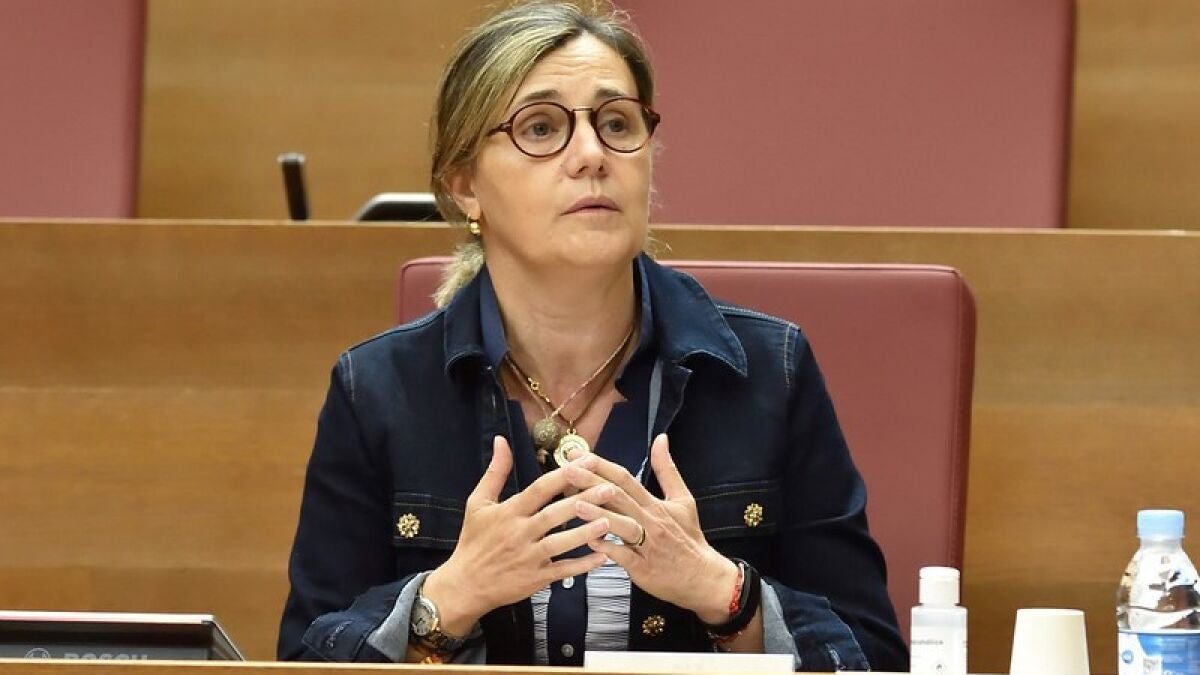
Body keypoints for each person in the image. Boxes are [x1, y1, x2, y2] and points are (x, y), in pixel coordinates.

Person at [277, 0, 906, 670]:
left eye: (616, 123)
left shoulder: (768, 372)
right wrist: (448, 599)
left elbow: (872, 656)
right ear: (464, 185)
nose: (591, 155)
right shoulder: (377, 391)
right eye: (540, 127)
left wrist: (723, 592)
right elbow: (303, 659)